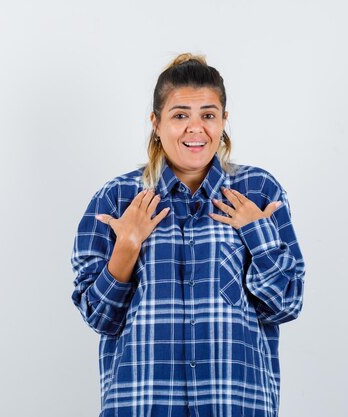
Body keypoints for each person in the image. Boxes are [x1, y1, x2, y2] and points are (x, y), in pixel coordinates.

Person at [70, 52, 306, 417]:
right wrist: (127, 247)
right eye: (180, 115)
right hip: (142, 405)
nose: (196, 129)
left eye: (208, 115)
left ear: (224, 121)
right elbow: (99, 318)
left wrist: (256, 231)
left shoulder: (259, 191)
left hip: (234, 405)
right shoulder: (116, 199)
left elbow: (287, 304)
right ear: (155, 122)